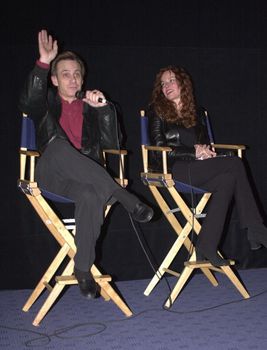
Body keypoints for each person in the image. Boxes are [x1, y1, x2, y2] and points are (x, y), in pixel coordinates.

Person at [18, 29, 153, 299]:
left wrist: (104, 110)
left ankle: (82, 269)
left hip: (86, 179)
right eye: (65, 74)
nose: (73, 78)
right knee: (57, 145)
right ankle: (121, 195)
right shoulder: (44, 105)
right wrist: (43, 62)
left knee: (91, 194)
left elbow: (115, 142)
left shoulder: (91, 107)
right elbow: (28, 99)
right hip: (50, 171)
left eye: (77, 73)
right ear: (54, 80)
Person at [147, 65, 267, 266]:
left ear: (183, 83)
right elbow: (158, 149)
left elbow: (204, 145)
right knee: (235, 163)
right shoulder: (157, 111)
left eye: (171, 80)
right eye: (163, 83)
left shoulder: (197, 113)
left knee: (228, 179)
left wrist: (207, 153)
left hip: (198, 167)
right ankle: (256, 229)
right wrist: (193, 152)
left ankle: (207, 245)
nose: (166, 85)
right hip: (173, 168)